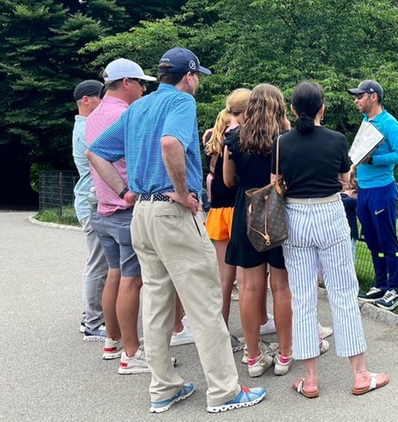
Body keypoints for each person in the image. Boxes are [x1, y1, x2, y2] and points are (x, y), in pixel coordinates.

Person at [86, 47, 265, 414]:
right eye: (198, 77)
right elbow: (170, 143)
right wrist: (183, 192)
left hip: (142, 216)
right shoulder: (180, 104)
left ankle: (163, 386)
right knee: (203, 301)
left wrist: (124, 192)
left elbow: (96, 152)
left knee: (156, 303)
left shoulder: (137, 108)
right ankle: (224, 391)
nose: (197, 84)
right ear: (189, 76)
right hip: (172, 213)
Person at [277, 81, 389, 399]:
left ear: (294, 110)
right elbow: (343, 179)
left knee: (302, 297)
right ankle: (359, 373)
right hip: (329, 213)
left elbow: (276, 182)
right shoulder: (337, 139)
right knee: (343, 292)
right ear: (321, 109)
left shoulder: (282, 142)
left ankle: (310, 379)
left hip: (295, 217)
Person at [86, 59, 155, 370]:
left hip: (102, 209)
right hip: (126, 209)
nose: (144, 88)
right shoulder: (128, 115)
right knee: (132, 280)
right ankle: (131, 353)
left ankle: (111, 342)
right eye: (141, 83)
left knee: (114, 275)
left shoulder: (94, 114)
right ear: (126, 82)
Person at [223, 84, 294, 377]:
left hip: (246, 210)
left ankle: (253, 357)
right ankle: (286, 354)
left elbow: (228, 181)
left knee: (251, 287)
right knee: (281, 286)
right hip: (278, 213)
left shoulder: (234, 138)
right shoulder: (286, 140)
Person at [347, 80, 398, 311]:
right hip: (364, 189)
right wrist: (352, 169)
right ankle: (380, 284)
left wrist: (374, 160)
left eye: (360, 96)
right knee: (372, 239)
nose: (356, 100)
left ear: (373, 97)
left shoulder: (389, 123)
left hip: (383, 189)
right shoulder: (366, 121)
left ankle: (395, 289)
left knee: (387, 239)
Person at [204, 88, 250, 348]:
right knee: (245, 278)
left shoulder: (213, 136)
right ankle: (249, 332)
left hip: (218, 211)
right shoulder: (240, 137)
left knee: (224, 277)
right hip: (237, 208)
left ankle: (221, 333)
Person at [72, 79, 107, 341]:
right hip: (91, 202)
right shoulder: (87, 128)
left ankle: (91, 316)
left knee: (98, 262)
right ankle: (93, 322)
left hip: (87, 200)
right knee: (99, 263)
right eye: (99, 97)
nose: (103, 102)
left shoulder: (82, 126)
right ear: (87, 100)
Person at [341, 175, 359, 260]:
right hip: (350, 234)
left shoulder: (337, 199)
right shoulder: (350, 201)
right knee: (350, 257)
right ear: (354, 193)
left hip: (338, 234)